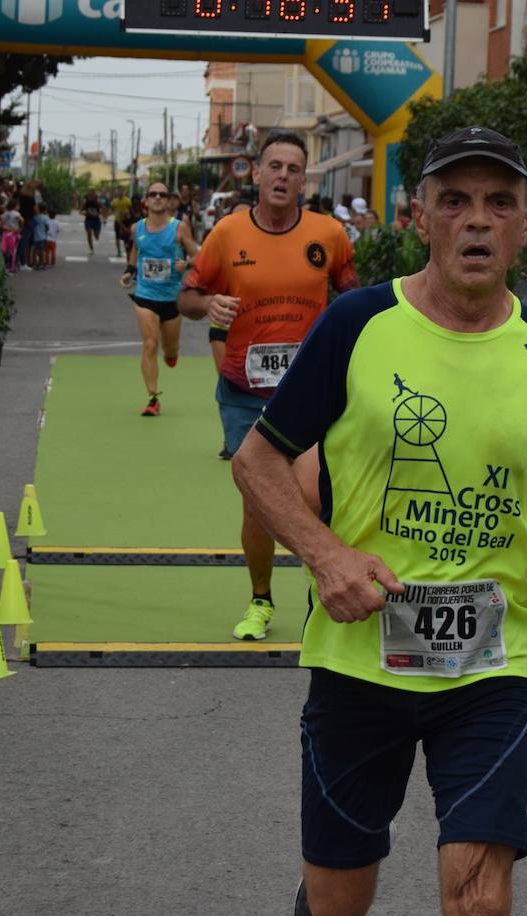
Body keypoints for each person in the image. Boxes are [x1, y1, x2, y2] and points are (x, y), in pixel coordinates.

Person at [230, 125, 527, 916]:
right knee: (338, 902)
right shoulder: (358, 324)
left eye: (499, 203)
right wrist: (327, 555)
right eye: (455, 201)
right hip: (359, 660)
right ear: (419, 217)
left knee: (479, 901)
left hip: (488, 666)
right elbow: (257, 461)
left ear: (526, 223)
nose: (477, 220)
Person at [178, 130, 357, 640]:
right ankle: (260, 599)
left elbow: (353, 301)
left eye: (293, 169)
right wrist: (208, 305)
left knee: (311, 494)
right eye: (274, 166)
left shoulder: (329, 235)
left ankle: (323, 581)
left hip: (311, 392)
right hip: (244, 391)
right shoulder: (227, 235)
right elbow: (186, 298)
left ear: (304, 179)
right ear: (256, 173)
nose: (282, 176)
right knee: (258, 504)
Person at [121, 182, 199, 417]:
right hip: (145, 295)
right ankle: (153, 397)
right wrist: (129, 271)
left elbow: (198, 256)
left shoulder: (179, 228)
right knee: (149, 344)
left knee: (169, 349)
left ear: (168, 201)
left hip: (172, 298)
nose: (157, 198)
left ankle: (172, 354)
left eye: (162, 195)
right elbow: (137, 249)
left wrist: (186, 264)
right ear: (146, 200)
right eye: (152, 194)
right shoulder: (137, 228)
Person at [0, 196, 22, 273]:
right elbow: (22, 220)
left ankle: (4, 265)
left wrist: (7, 228)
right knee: (13, 250)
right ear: (15, 206)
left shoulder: (5, 214)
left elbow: (2, 224)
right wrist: (19, 228)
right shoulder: (16, 213)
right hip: (14, 234)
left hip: (6, 233)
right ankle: (12, 267)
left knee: (4, 250)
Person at [112, 191, 132, 257]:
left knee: (126, 235)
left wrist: (127, 215)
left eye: (121, 192)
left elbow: (130, 209)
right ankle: (119, 251)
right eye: (119, 192)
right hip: (117, 220)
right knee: (117, 236)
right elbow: (113, 209)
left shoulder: (127, 200)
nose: (120, 193)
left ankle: (127, 248)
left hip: (126, 220)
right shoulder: (114, 201)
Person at [82, 190, 103, 254]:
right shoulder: (86, 202)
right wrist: (85, 213)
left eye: (92, 194)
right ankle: (91, 248)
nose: (91, 195)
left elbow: (101, 209)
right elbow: (81, 210)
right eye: (90, 194)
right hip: (88, 220)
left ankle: (95, 233)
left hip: (96, 220)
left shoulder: (97, 202)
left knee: (96, 237)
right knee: (89, 233)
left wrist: (98, 213)